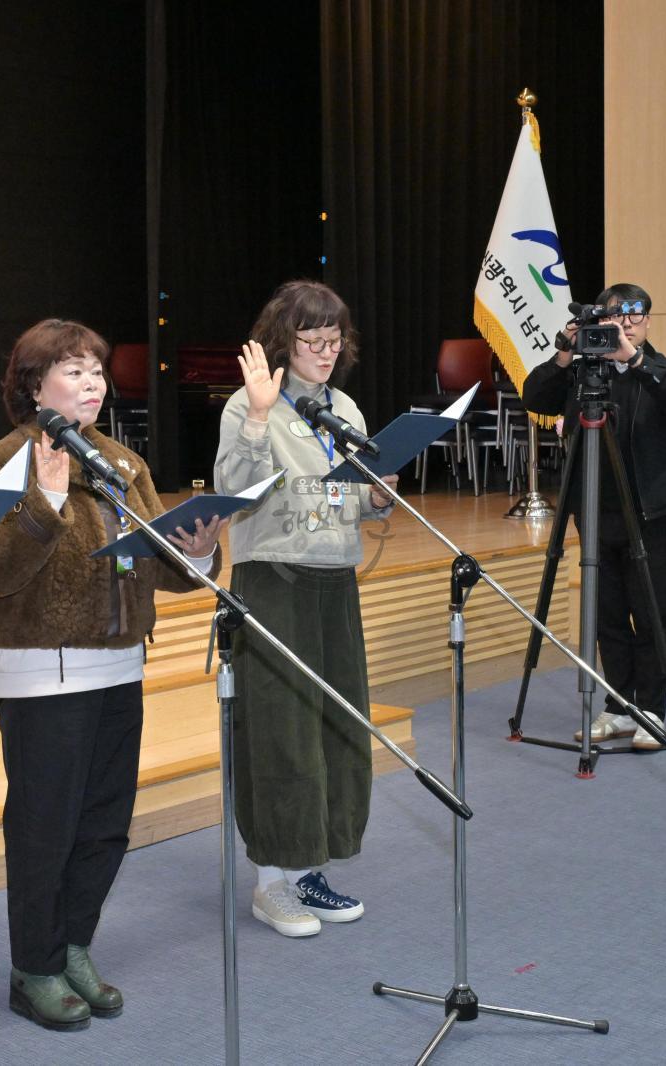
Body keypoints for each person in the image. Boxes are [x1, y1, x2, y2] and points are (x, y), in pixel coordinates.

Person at [0, 319, 223, 1031]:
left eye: (97, 372)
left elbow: (162, 566)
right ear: (33, 384)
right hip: (42, 673)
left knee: (105, 826)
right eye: (73, 370)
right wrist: (43, 506)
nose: (91, 384)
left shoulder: (121, 463)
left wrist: (196, 553)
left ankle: (74, 945)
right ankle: (34, 967)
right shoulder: (4, 460)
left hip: (118, 664)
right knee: (46, 828)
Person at [214, 279, 398, 937]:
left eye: (333, 339)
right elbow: (236, 491)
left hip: (333, 583)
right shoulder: (248, 404)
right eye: (310, 340)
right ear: (282, 343)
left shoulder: (343, 405)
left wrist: (372, 499)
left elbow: (327, 498)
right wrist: (262, 419)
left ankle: (308, 867)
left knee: (335, 727)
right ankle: (271, 883)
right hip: (274, 582)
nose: (325, 351)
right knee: (281, 733)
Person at [521, 283, 666, 748]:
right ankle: (619, 706)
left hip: (647, 510)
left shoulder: (660, 368)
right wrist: (564, 351)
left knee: (651, 612)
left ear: (647, 322)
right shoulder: (583, 374)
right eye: (616, 315)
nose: (626, 323)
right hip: (595, 509)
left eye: (635, 315)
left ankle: (652, 711)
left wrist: (633, 359)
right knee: (608, 615)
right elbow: (535, 396)